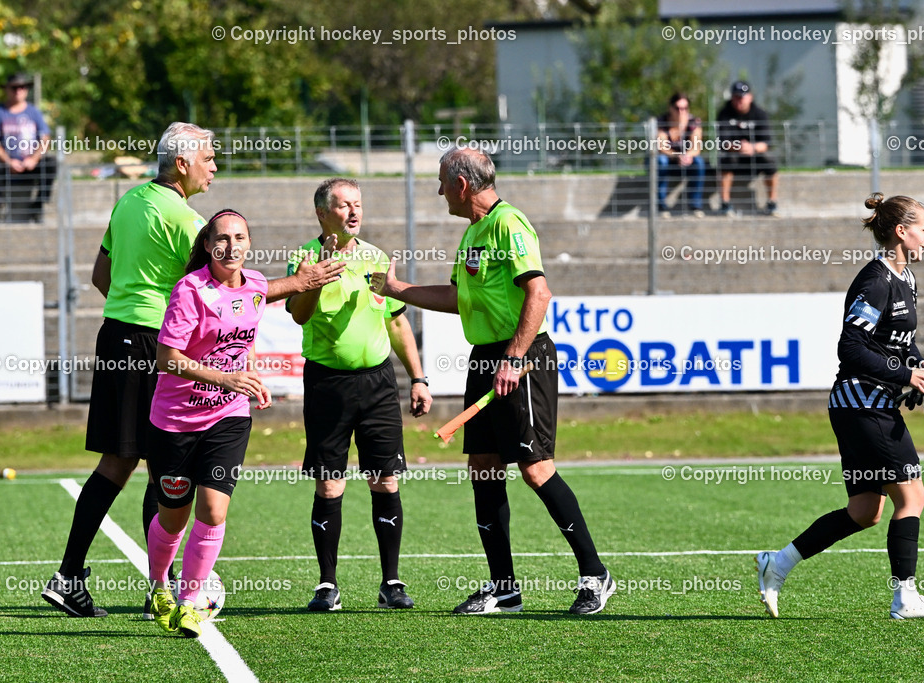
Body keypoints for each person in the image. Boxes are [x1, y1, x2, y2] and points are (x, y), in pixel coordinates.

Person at [41, 122, 344, 619]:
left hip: (117, 334)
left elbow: (100, 275)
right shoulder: (186, 220)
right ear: (182, 163)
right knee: (164, 466)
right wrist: (302, 280)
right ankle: (158, 590)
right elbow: (229, 291)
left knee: (119, 462)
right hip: (154, 346)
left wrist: (136, 312)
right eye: (208, 158)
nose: (214, 167)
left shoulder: (129, 200)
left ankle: (71, 575)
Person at [372, 148, 615, 615]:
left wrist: (514, 357)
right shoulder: (472, 233)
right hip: (485, 357)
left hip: (521, 357)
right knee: (483, 467)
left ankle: (595, 574)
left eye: (442, 181)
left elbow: (539, 293)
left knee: (535, 468)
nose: (439, 191)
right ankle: (504, 589)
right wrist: (396, 289)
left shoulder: (509, 224)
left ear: (462, 185)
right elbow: (457, 297)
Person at [756, 193, 924, 620]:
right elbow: (850, 347)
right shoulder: (875, 280)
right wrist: (904, 376)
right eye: (923, 229)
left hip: (871, 403)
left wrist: (922, 368)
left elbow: (899, 344)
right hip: (861, 403)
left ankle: (777, 563)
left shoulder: (907, 279)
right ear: (901, 231)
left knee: (865, 512)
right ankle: (905, 599)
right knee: (913, 495)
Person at [287, 177, 432, 612]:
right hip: (327, 384)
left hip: (379, 385)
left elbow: (397, 322)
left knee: (385, 479)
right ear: (322, 213)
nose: (354, 212)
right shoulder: (304, 257)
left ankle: (392, 582)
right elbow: (299, 315)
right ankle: (327, 585)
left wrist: (419, 378)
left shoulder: (377, 257)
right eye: (344, 205)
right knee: (330, 484)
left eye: (358, 204)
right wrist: (317, 275)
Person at [146, 209, 271, 637]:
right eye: (222, 238)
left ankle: (188, 603)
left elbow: (242, 340)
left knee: (214, 510)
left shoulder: (257, 286)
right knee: (173, 519)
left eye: (239, 237)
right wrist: (224, 377)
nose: (231, 246)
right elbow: (166, 358)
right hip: (175, 421)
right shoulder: (190, 290)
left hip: (228, 415)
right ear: (207, 245)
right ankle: (159, 585)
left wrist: (250, 378)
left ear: (249, 243)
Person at [0, 72, 56, 221]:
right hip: (5, 165)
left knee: (51, 163)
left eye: (22, 87)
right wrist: (8, 162)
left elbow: (45, 138)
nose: (18, 91)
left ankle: (38, 206)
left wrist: (34, 159)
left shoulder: (34, 112)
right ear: (7, 89)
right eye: (14, 87)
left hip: (30, 165)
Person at [715, 80, 779, 217]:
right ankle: (725, 204)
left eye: (742, 97)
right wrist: (738, 146)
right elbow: (723, 143)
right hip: (734, 156)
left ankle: (772, 203)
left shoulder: (760, 114)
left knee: (770, 160)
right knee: (725, 160)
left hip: (755, 157)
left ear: (750, 97)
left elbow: (766, 143)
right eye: (736, 97)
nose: (739, 100)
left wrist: (752, 147)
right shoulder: (724, 114)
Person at [656, 92, 706, 217]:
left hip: (686, 160)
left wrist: (687, 156)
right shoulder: (661, 122)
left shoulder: (693, 122)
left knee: (699, 162)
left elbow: (696, 147)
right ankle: (661, 206)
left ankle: (695, 206)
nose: (681, 111)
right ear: (670, 108)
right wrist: (676, 155)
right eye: (677, 108)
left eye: (684, 108)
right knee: (661, 161)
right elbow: (662, 147)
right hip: (667, 159)